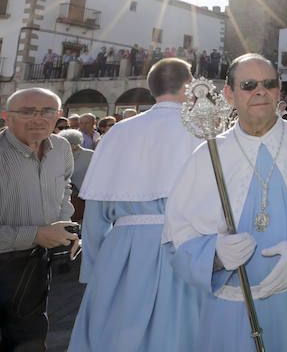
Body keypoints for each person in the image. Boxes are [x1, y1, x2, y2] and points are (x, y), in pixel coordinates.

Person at [163, 53, 287, 351]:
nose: (260, 91)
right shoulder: (209, 154)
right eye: (248, 84)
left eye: (269, 84)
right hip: (232, 309)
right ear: (229, 94)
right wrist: (215, 256)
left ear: (279, 91)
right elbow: (176, 236)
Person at [69, 59, 204, 351]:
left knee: (116, 334)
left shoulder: (117, 132)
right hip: (186, 248)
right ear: (188, 86)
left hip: (123, 251)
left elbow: (95, 214)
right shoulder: (201, 131)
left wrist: (94, 268)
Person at [0, 88, 79, 350]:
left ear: (58, 115)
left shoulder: (61, 148)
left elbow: (63, 189)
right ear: (5, 116)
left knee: (30, 338)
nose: (38, 118)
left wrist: (63, 228)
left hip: (35, 266)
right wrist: (35, 234)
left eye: (46, 111)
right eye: (26, 111)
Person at [58, 129, 93, 221]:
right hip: (65, 196)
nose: (74, 146)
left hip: (85, 196)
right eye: (71, 143)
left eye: (76, 143)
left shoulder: (90, 155)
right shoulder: (59, 155)